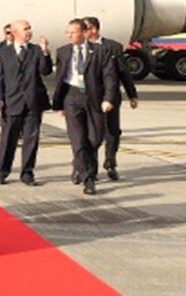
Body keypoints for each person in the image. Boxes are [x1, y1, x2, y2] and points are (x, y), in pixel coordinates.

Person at [51, 18, 118, 195]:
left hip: (94, 98)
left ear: (83, 33)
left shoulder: (100, 51)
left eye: (72, 32)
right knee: (78, 141)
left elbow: (110, 77)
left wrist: (108, 99)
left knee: (94, 139)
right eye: (67, 32)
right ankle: (88, 178)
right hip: (71, 97)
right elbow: (59, 79)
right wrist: (59, 104)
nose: (69, 35)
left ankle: (81, 164)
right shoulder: (63, 52)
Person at [0, 19, 53, 186]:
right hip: (11, 102)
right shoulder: (2, 52)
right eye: (25, 29)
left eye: (29, 28)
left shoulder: (36, 50)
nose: (29, 31)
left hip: (33, 103)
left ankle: (27, 173)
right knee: (8, 139)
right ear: (15, 32)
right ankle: (2, 171)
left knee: (31, 140)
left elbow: (45, 71)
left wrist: (46, 52)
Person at [82, 16, 139, 181]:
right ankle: (87, 167)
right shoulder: (80, 48)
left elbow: (123, 73)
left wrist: (132, 94)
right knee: (90, 134)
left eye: (85, 29)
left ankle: (110, 163)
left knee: (112, 132)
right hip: (88, 98)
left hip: (111, 97)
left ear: (93, 30)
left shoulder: (113, 47)